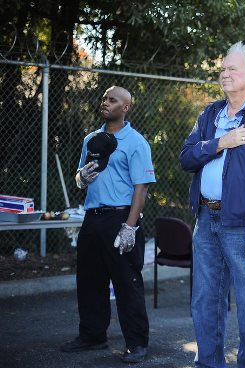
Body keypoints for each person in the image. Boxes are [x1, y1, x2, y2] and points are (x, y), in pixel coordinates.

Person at [179, 42, 245, 368]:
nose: (224, 73)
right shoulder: (209, 115)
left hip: (243, 229)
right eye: (222, 69)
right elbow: (186, 158)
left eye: (231, 69)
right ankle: (208, 364)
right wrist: (219, 143)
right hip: (206, 221)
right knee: (205, 303)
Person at [60, 86, 156, 364]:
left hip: (121, 218)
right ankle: (92, 335)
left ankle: (137, 343)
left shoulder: (137, 143)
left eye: (112, 100)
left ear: (125, 108)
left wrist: (130, 226)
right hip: (92, 218)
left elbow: (142, 188)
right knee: (89, 280)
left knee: (127, 283)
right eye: (104, 98)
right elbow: (80, 175)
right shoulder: (92, 138)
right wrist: (82, 178)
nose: (106, 102)